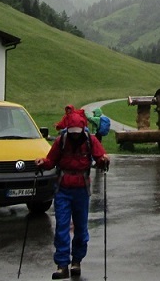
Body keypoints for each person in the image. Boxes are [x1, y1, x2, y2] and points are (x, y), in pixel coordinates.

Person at [36, 110, 110, 279]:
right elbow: (50, 161)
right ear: (68, 129)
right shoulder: (61, 140)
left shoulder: (90, 140)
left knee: (81, 228)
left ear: (83, 129)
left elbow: (100, 157)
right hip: (62, 190)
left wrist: (104, 160)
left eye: (77, 133)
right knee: (62, 227)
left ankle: (76, 261)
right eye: (72, 133)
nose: (75, 136)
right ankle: (62, 265)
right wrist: (42, 162)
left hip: (81, 191)